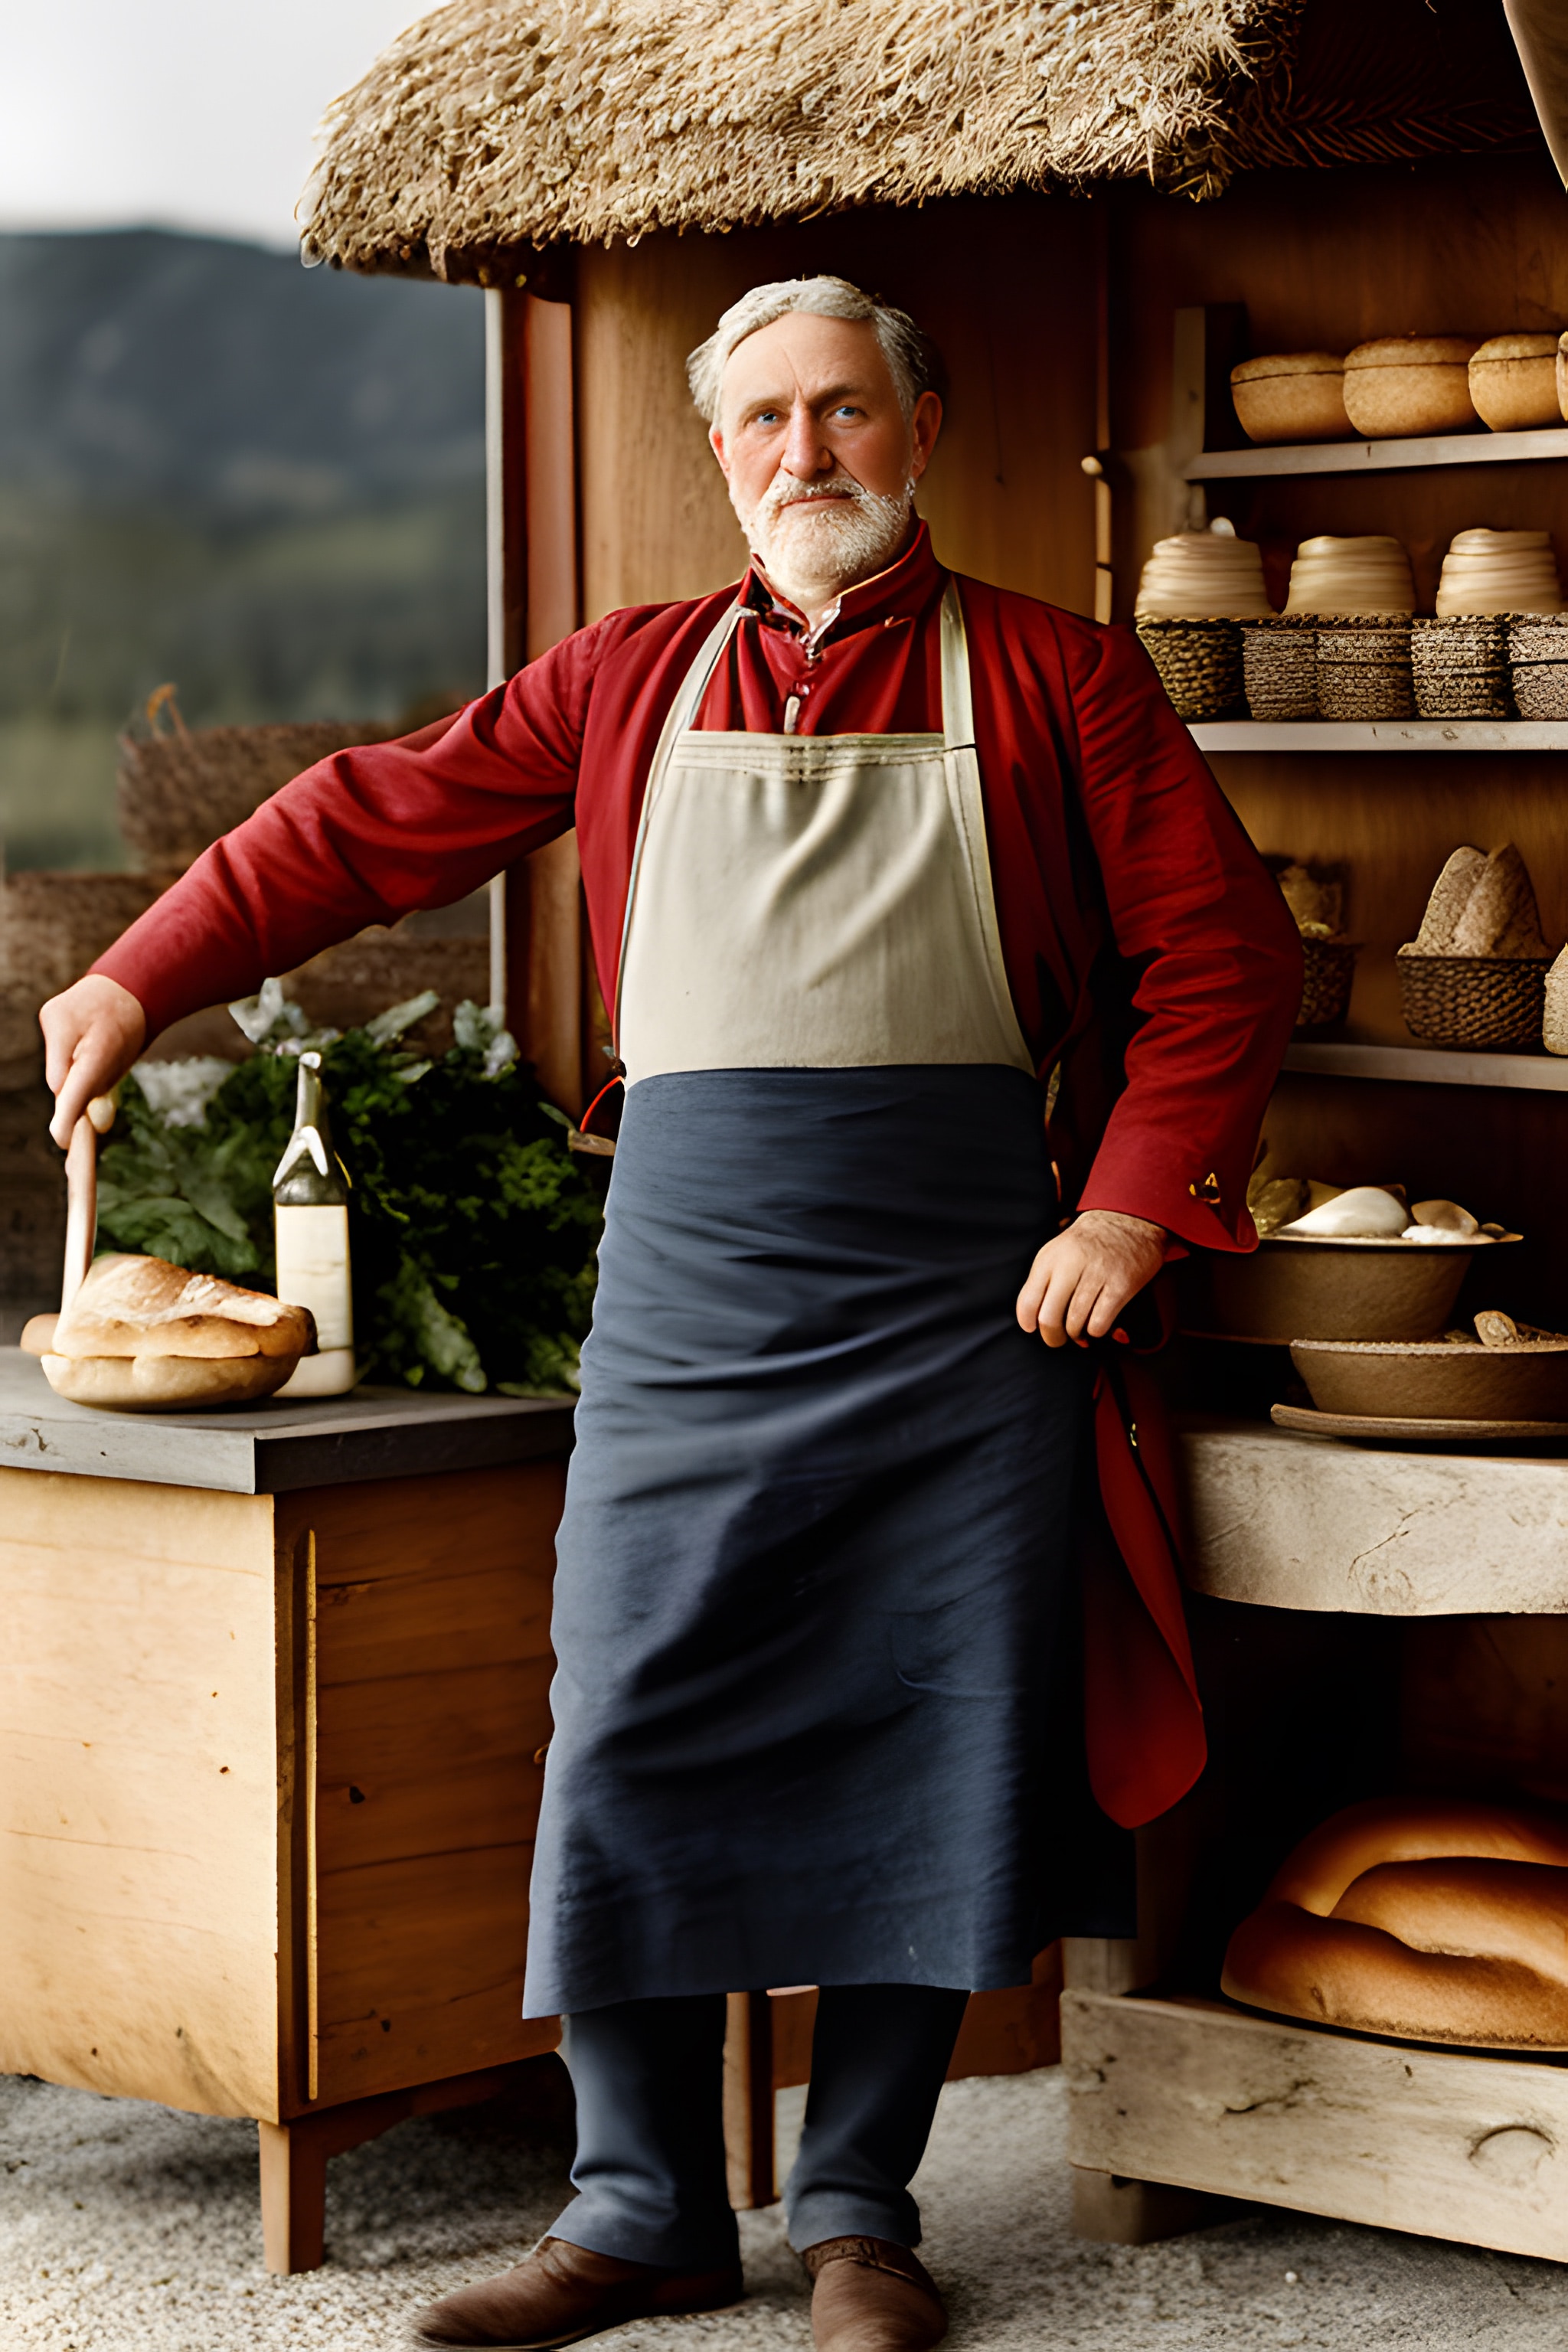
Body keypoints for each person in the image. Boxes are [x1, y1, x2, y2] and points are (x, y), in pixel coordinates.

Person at [42, 276, 1300, 2352]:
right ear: (722, 454)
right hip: (690, 1306)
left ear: (922, 428)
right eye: (767, 423)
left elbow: (1221, 965)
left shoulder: (1065, 682)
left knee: (932, 1736)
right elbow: (369, 817)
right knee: (632, 1729)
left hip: (958, 1305)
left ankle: (862, 2218)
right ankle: (636, 2210)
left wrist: (1134, 1211)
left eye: (846, 415)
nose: (807, 456)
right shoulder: (625, 678)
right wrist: (138, 969)